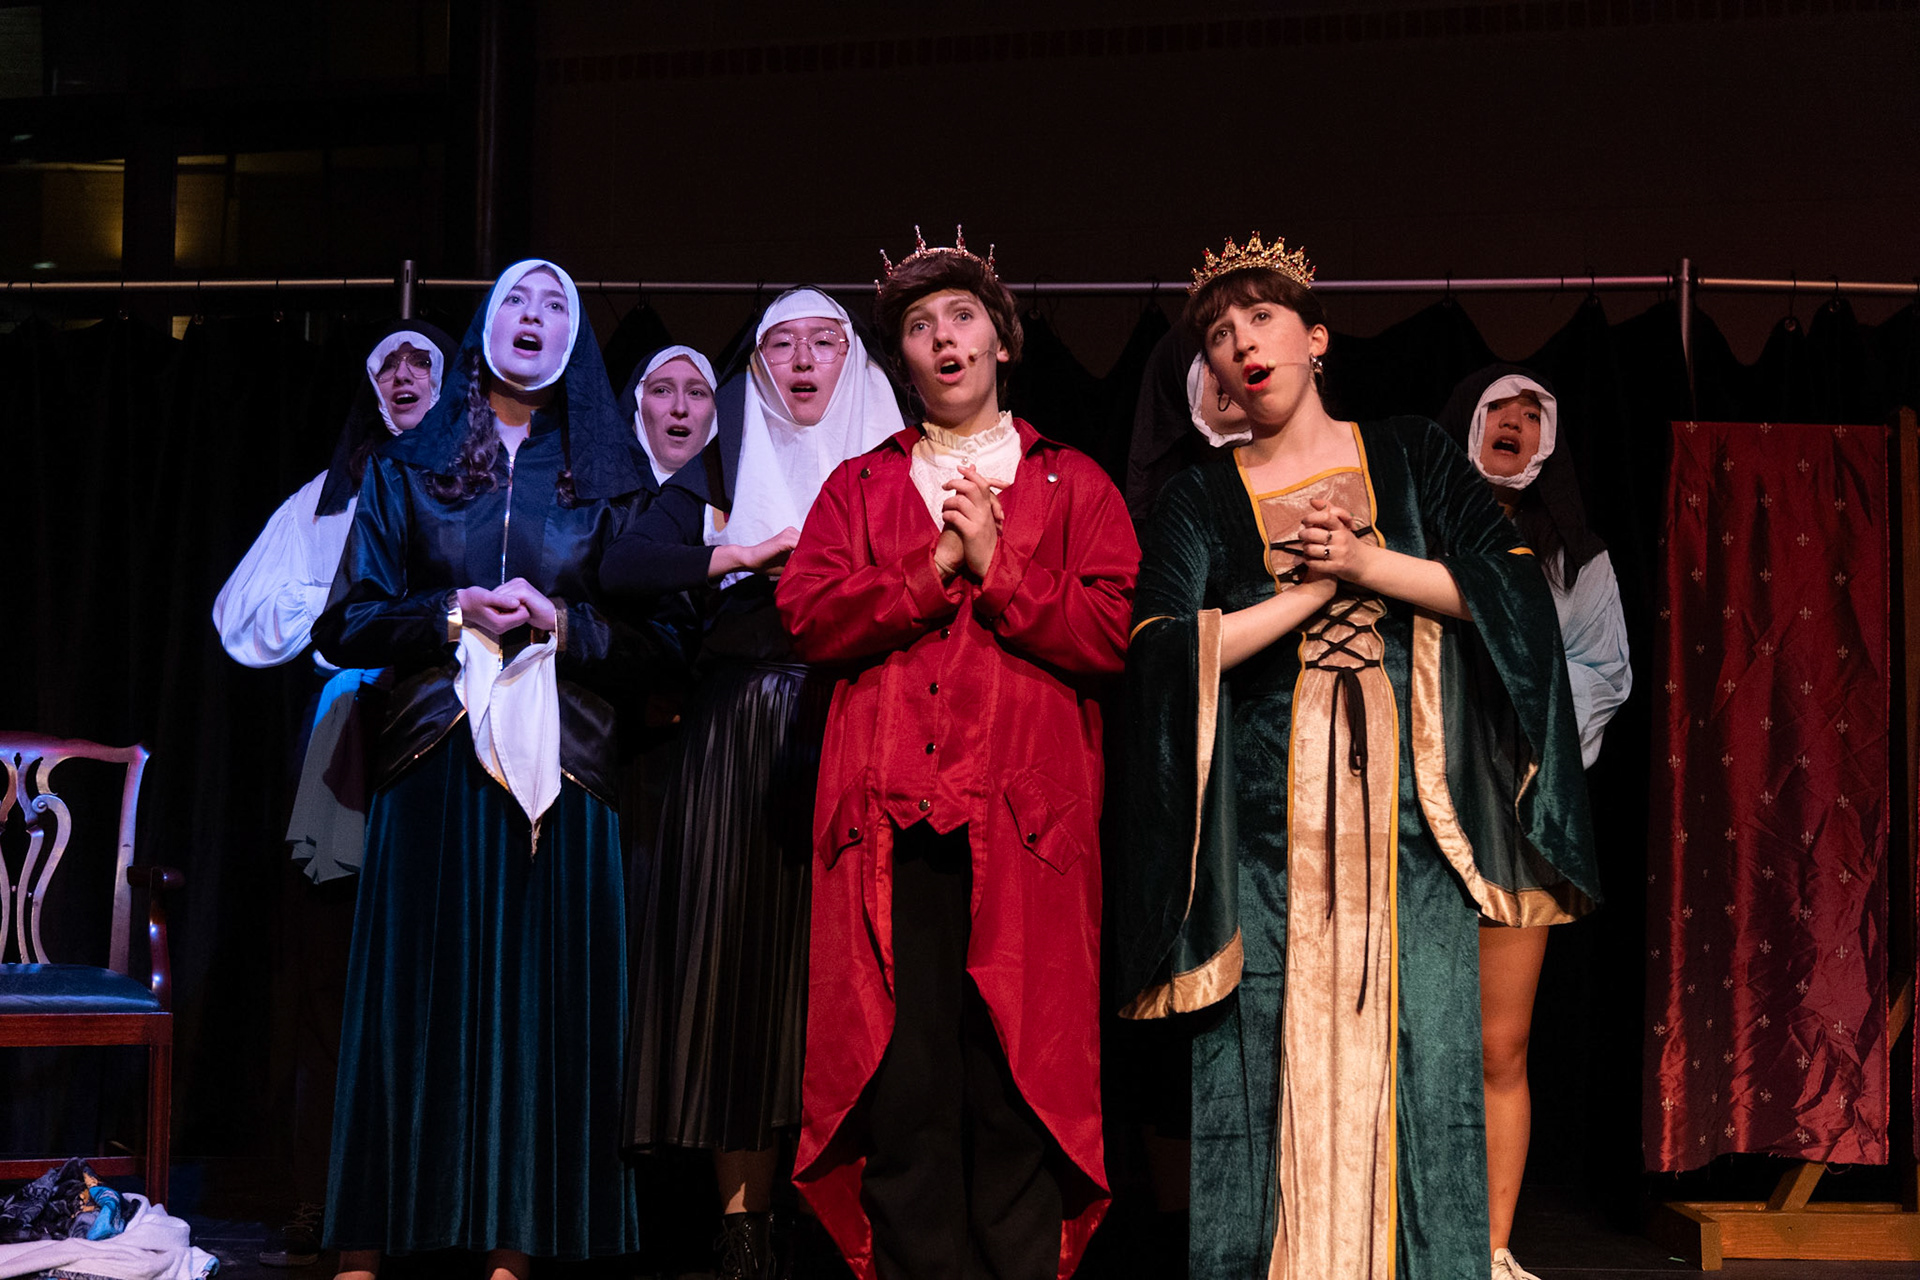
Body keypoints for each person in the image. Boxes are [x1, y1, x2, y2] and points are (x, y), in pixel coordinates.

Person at [1115, 234, 1600, 1279]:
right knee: (1267, 1060)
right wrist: (1306, 594)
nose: (1243, 344)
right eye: (1220, 334)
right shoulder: (1201, 497)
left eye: (1262, 319)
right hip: (1266, 837)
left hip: (1412, 827)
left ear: (1317, 338)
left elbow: (1510, 591)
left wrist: (1368, 562)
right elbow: (1160, 647)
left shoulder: (1412, 452)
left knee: (1423, 1057)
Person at [773, 229, 1137, 1280]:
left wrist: (1001, 562)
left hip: (1025, 830)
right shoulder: (859, 486)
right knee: (908, 1077)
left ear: (1002, 343)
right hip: (890, 829)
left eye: (963, 318)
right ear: (902, 357)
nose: (944, 339)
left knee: (1017, 1078)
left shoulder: (1073, 483)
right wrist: (936, 566)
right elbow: (808, 614)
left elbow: (1110, 631)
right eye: (921, 326)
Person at [312, 259, 668, 1279]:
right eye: (517, 297)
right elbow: (346, 621)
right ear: (485, 324)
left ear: (575, 340)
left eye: (557, 304)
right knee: (409, 1011)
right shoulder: (408, 467)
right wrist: (451, 611)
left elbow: (665, 642)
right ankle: (366, 1247)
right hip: (433, 759)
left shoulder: (615, 481)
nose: (534, 316)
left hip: (566, 770)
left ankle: (515, 1250)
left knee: (537, 1017)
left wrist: (566, 621)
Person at [601, 289, 903, 1280]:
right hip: (739, 738)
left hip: (856, 721)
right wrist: (742, 550)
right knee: (741, 977)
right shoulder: (725, 460)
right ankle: (743, 1226)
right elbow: (623, 562)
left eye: (823, 341)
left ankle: (842, 1219)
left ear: (852, 357)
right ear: (759, 363)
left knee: (847, 972)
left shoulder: (896, 456)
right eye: (782, 344)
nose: (803, 360)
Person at [210, 318, 454, 1267]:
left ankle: (438, 1198)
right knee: (331, 977)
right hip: (350, 737)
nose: (404, 376)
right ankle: (323, 1193)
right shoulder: (327, 498)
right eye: (389, 363)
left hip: (450, 729)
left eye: (422, 362)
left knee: (441, 972)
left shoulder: (475, 487)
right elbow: (240, 614)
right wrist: (350, 614)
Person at [1440, 365, 1631, 1280]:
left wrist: (1529, 725)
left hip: (1514, 815)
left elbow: (1604, 670)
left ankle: (1490, 1246)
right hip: (1414, 807)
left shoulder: (1575, 557)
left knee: (1498, 1043)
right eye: (1499, 410)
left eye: (1531, 414)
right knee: (1403, 1033)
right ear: (1469, 423)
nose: (1514, 422)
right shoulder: (1417, 528)